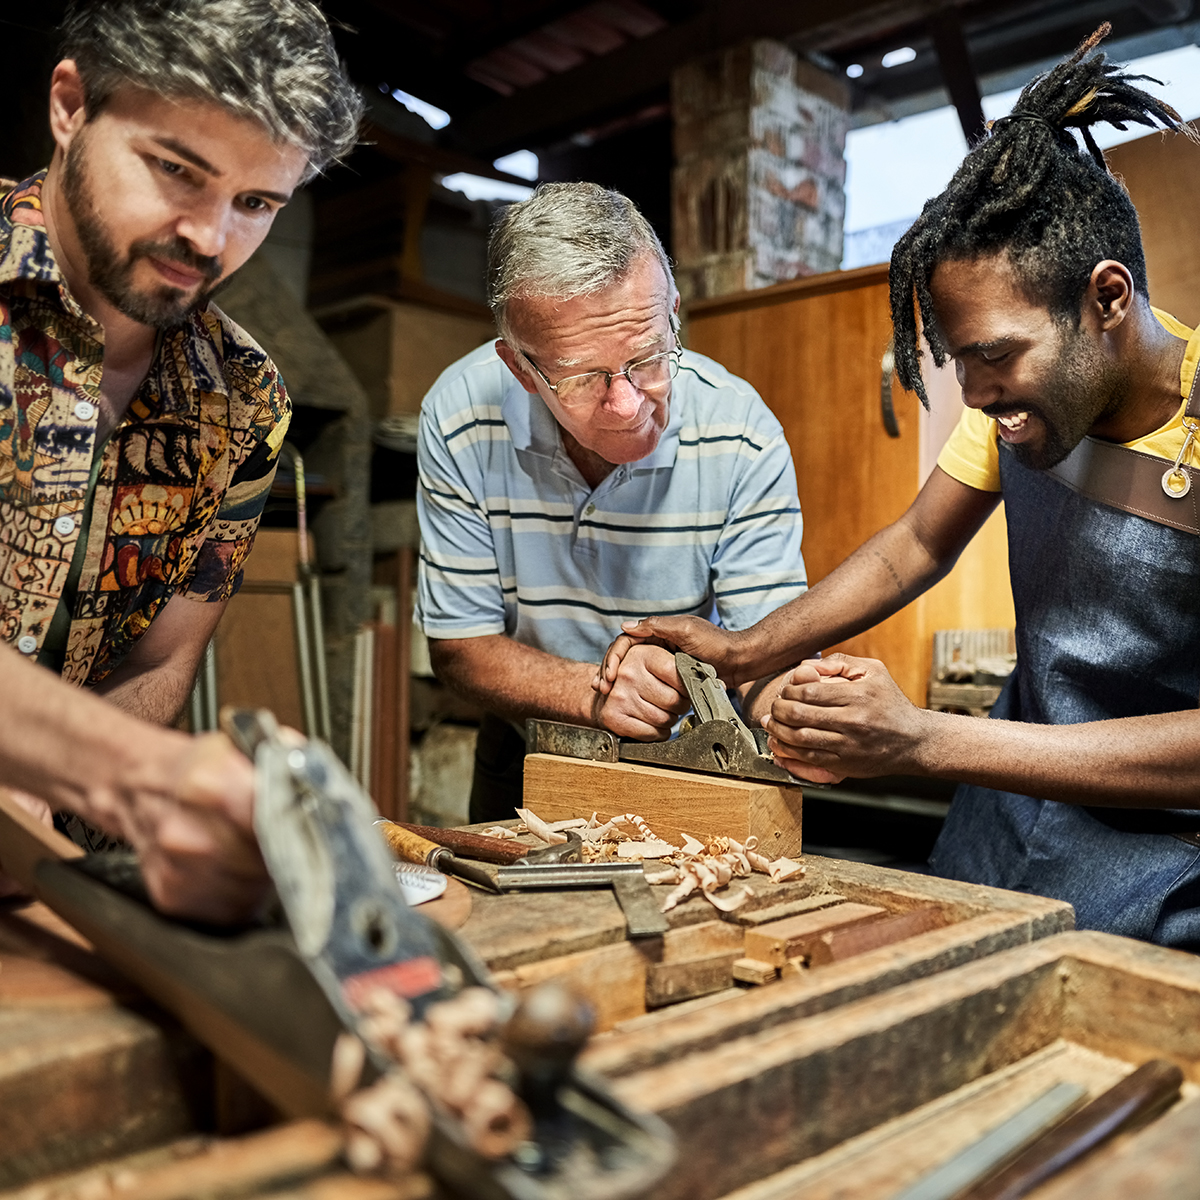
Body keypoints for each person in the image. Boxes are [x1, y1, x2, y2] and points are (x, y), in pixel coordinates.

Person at [602, 28, 1200, 948]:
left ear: (1108, 299)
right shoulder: (1018, 406)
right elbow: (914, 546)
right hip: (1007, 815)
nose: (979, 394)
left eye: (995, 356)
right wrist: (742, 652)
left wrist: (922, 740)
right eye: (960, 363)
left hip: (1164, 859)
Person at [0, 0, 361, 916]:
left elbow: (158, 663)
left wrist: (60, 806)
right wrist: (113, 770)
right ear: (72, 105)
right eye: (176, 171)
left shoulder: (246, 404)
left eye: (254, 204)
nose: (210, 237)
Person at [416, 183, 807, 822]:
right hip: (531, 745)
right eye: (581, 377)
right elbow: (460, 646)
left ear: (673, 311)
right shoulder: (460, 416)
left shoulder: (741, 430)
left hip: (694, 764)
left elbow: (767, 647)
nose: (627, 405)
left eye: (648, 357)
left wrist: (800, 707)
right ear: (520, 369)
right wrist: (589, 691)